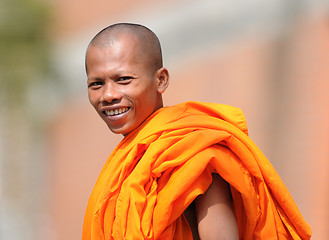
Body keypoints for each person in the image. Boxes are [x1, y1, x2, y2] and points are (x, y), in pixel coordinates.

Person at [82, 23, 311, 240]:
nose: (108, 95)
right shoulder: (124, 164)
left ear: (161, 80)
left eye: (123, 79)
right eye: (96, 84)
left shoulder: (193, 151)